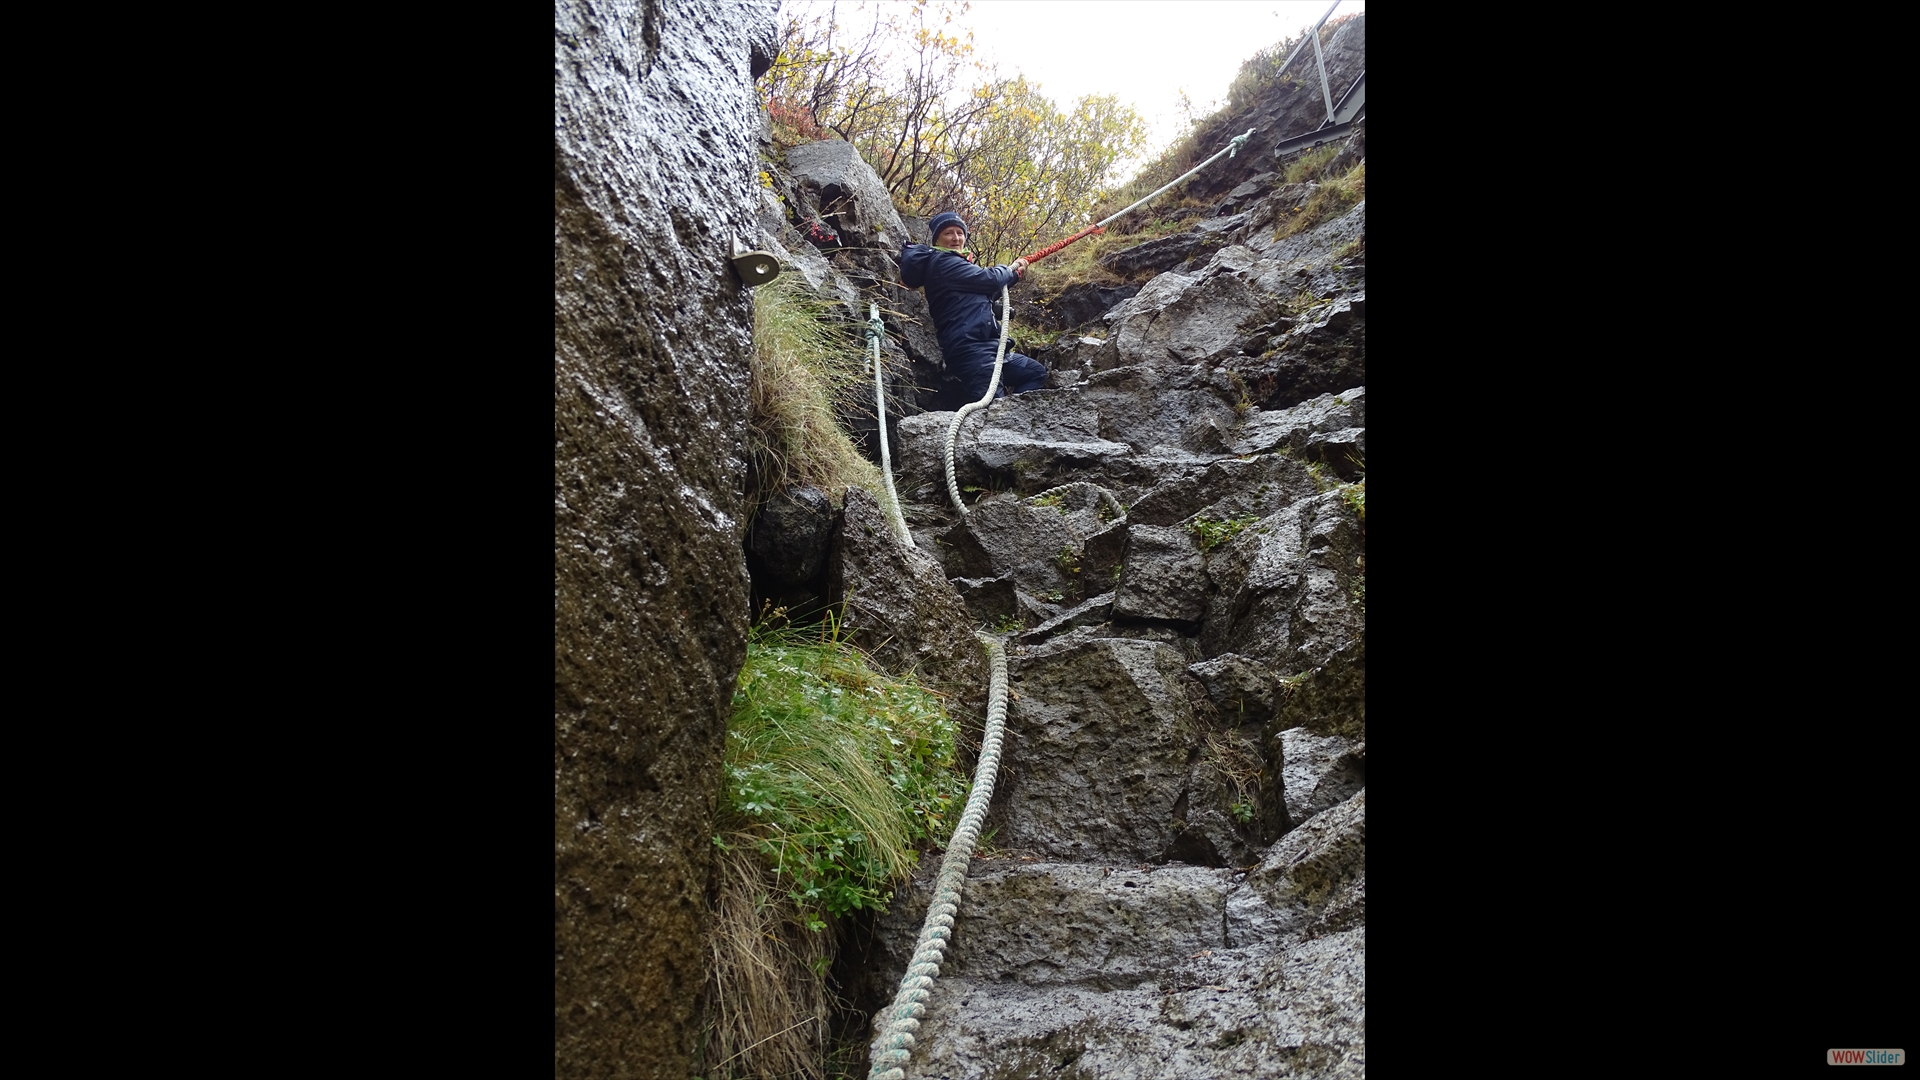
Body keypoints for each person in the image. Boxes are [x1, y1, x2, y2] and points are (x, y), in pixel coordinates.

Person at [899, 211, 1049, 405]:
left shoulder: (955, 265)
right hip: (972, 352)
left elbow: (984, 292)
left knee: (1035, 373)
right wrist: (1011, 267)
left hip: (990, 349)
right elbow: (991, 280)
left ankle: (1013, 417)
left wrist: (1015, 275)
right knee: (991, 410)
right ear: (937, 239)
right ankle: (1001, 425)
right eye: (948, 233)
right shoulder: (944, 262)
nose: (955, 238)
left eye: (959, 233)